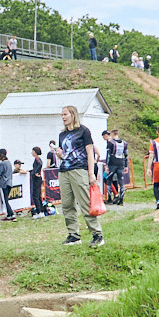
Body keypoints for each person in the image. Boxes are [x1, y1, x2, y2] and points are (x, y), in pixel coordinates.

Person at [55, 104, 102, 246]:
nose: (63, 117)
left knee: (85, 203)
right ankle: (73, 235)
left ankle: (97, 234)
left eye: (65, 114)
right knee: (67, 204)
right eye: (62, 115)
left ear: (73, 115)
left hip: (79, 170)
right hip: (64, 171)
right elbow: (66, 154)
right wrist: (60, 155)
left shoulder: (83, 131)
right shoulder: (62, 135)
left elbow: (90, 153)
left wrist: (91, 173)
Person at [0, 146, 17, 221]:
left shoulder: (2, 163)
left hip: (4, 183)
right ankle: (9, 215)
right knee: (6, 199)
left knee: (5, 200)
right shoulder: (8, 162)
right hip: (9, 182)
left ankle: (12, 214)